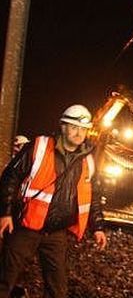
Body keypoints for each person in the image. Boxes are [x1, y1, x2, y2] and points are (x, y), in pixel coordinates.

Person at [0, 104, 107, 298]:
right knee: (5, 278)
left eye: (83, 129)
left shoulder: (87, 161)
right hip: (26, 227)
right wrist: (5, 213)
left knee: (57, 289)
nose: (78, 133)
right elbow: (10, 177)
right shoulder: (39, 147)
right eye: (74, 127)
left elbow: (94, 195)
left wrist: (98, 227)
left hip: (56, 234)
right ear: (63, 127)